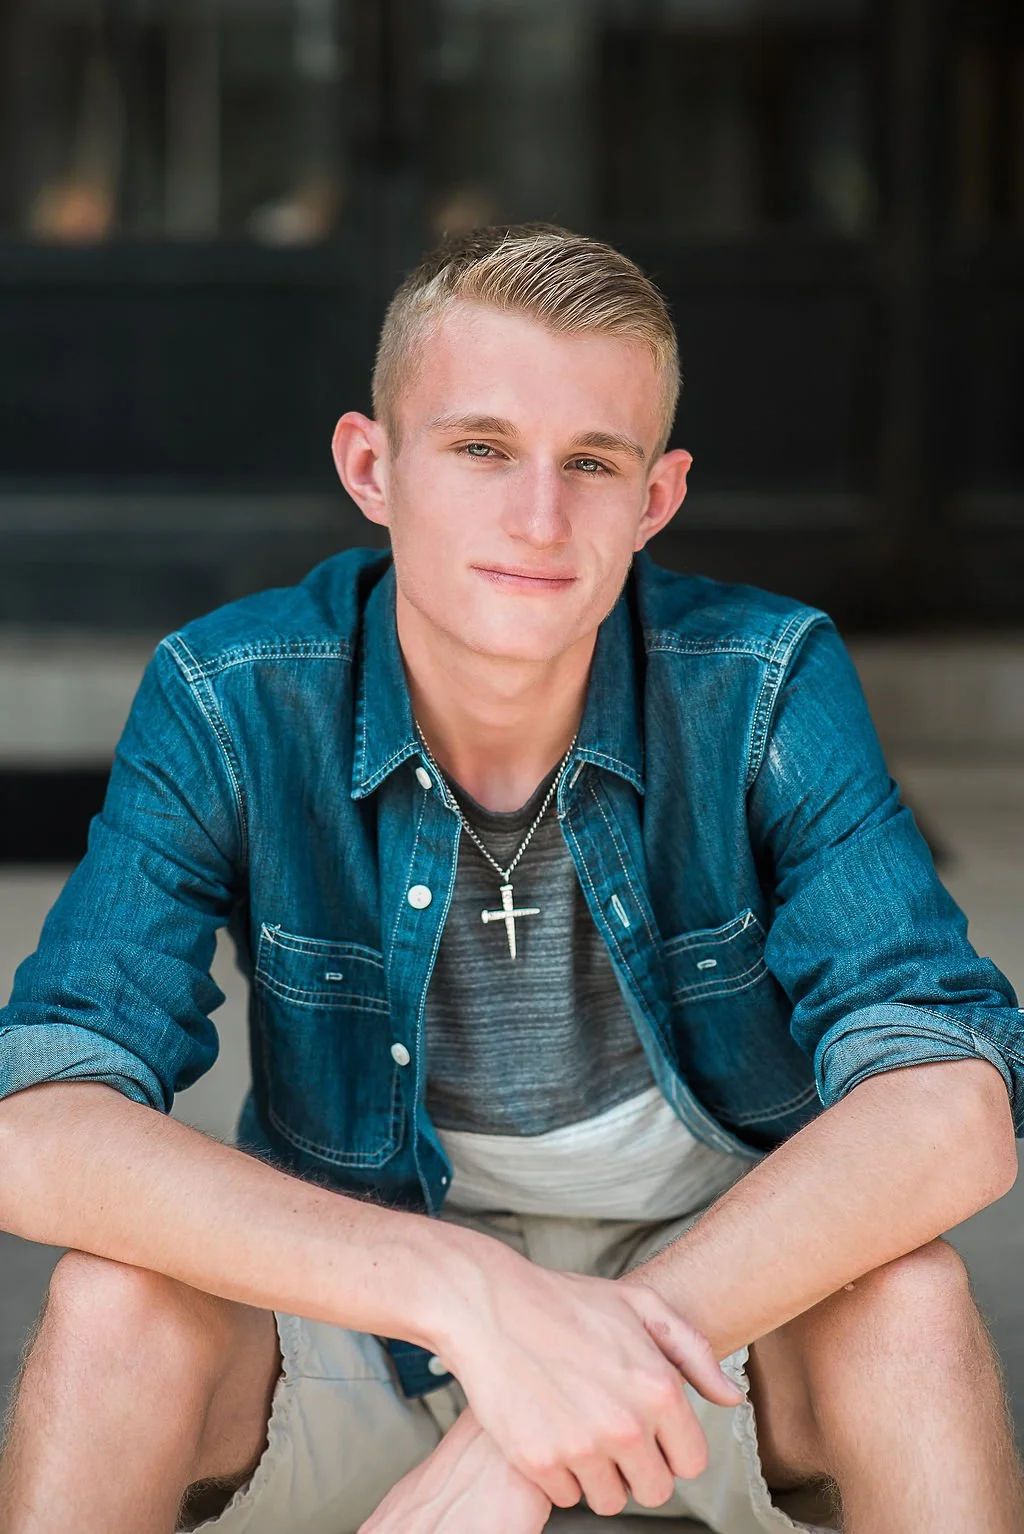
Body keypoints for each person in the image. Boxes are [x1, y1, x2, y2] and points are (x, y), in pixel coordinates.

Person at [0, 223, 1022, 1534]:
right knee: (110, 1307)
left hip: (707, 1322)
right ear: (373, 466)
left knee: (913, 1303)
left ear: (656, 499)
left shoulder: (762, 681)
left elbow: (948, 1103)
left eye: (592, 463)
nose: (539, 518)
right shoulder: (231, 694)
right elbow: (39, 1117)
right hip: (362, 1322)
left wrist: (552, 1400)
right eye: (481, 448)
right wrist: (471, 1299)